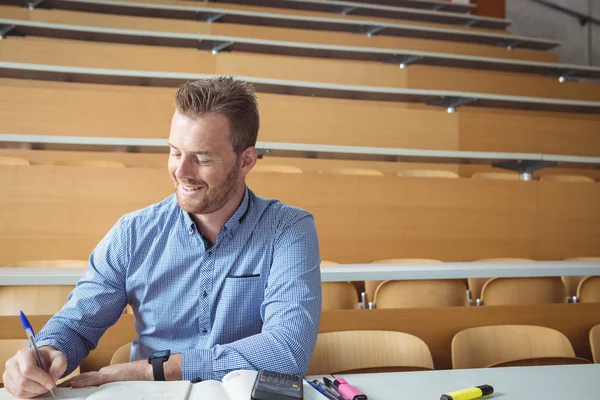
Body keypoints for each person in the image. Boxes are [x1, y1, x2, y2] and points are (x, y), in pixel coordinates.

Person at [3, 77, 322, 399]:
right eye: (174, 152)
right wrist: (46, 350)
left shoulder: (288, 228)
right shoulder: (133, 232)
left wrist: (153, 368)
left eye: (202, 158)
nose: (181, 171)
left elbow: (287, 350)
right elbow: (77, 323)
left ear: (246, 161)